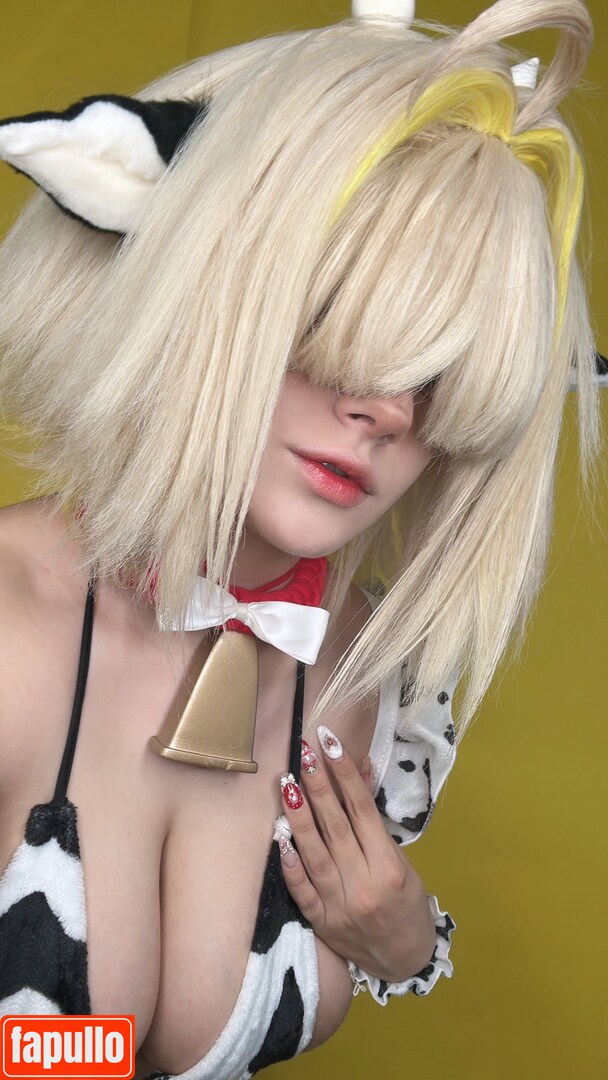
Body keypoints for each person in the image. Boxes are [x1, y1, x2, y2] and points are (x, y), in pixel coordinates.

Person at [0, 1, 599, 1077]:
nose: (387, 410)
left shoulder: (373, 676)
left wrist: (403, 941)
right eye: (336, 320)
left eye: (440, 371)